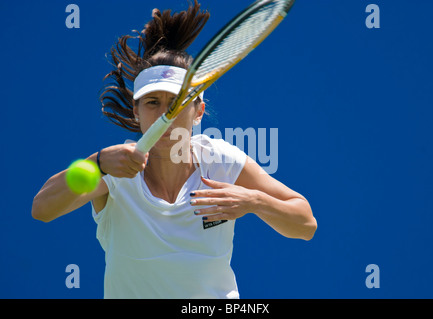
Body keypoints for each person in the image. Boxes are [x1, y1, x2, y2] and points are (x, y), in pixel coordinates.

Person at [32, 1, 317, 299]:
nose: (164, 115)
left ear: (198, 112)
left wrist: (254, 200)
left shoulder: (220, 160)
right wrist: (97, 163)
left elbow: (306, 224)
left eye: (176, 104)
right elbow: (42, 209)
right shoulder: (113, 170)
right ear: (137, 111)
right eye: (152, 103)